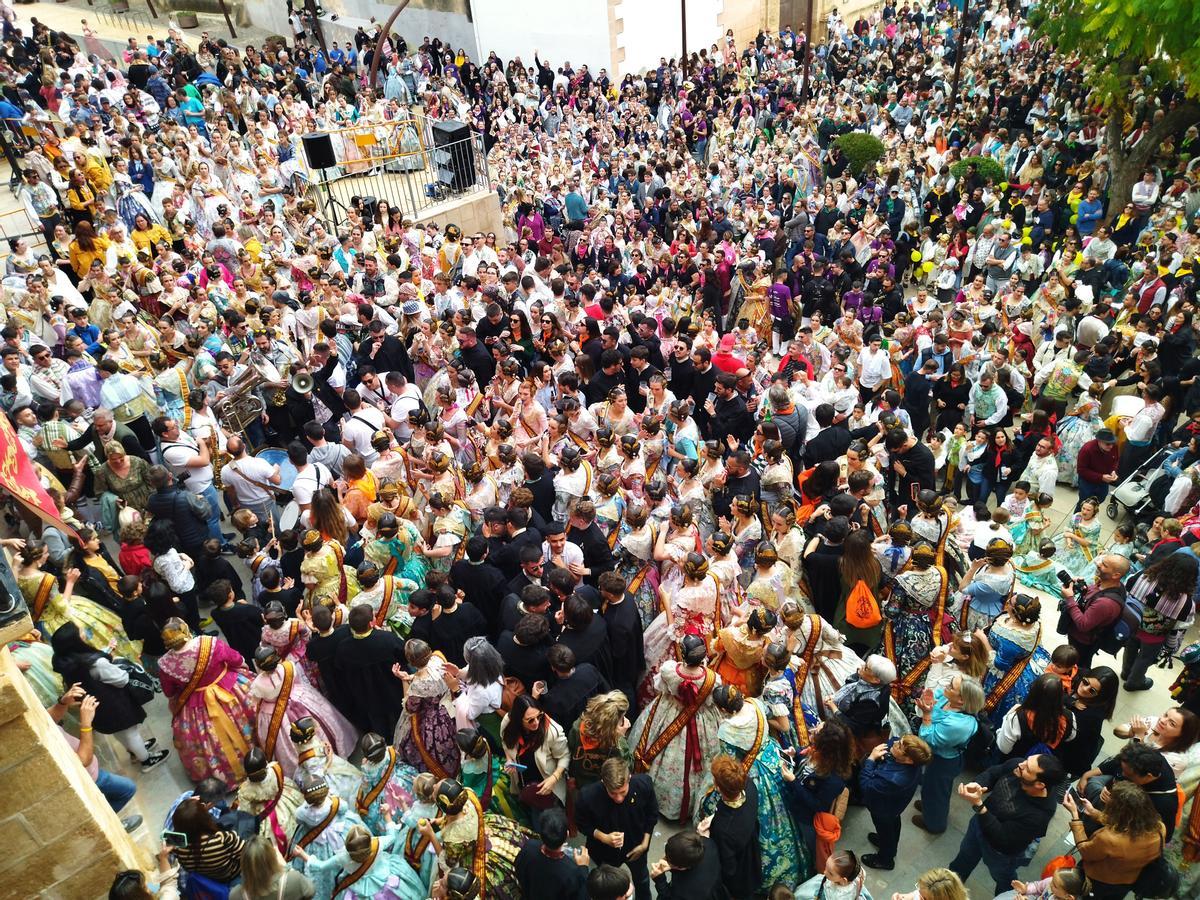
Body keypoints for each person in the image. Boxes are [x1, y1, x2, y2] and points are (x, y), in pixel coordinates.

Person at [50, 621, 168, 771]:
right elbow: (121, 679)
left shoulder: (64, 661)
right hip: (115, 705)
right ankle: (146, 759)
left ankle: (134, 751)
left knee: (120, 733)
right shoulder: (96, 663)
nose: (84, 632)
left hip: (97, 709)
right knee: (131, 733)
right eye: (81, 632)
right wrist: (119, 665)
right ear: (75, 641)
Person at [947, 754, 1067, 894]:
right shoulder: (1018, 767)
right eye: (1026, 761)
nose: (1021, 765)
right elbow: (994, 773)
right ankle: (947, 890)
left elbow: (1002, 838)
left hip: (1000, 852)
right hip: (978, 826)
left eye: (1027, 768)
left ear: (1039, 784)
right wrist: (978, 783)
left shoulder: (1039, 814)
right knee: (964, 859)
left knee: (1004, 879)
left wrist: (979, 806)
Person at [157, 617, 255, 787]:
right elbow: (235, 659)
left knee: (211, 740)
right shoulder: (209, 643)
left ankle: (227, 775)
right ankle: (257, 758)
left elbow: (169, 692)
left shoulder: (166, 664)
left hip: (196, 703)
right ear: (185, 631)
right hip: (228, 688)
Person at [1064, 781, 1166, 900]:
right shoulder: (1159, 828)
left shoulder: (1109, 839)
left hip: (1097, 881)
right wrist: (1094, 812)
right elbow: (1126, 825)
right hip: (1126, 882)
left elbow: (1085, 850)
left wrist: (1075, 817)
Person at [575, 757, 659, 900]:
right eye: (613, 793)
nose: (619, 798)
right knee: (609, 888)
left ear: (629, 778)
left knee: (642, 880)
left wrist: (645, 844)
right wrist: (604, 837)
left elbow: (652, 814)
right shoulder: (587, 796)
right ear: (603, 783)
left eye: (623, 792)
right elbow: (583, 825)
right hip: (604, 852)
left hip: (637, 846)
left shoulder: (644, 785)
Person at [914, 676, 985, 835]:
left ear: (961, 701)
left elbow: (928, 738)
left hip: (944, 762)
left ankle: (934, 824)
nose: (946, 685)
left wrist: (926, 714)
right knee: (929, 787)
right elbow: (933, 699)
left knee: (938, 794)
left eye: (951, 686)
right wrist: (926, 702)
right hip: (935, 756)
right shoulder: (946, 698)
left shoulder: (960, 725)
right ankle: (927, 805)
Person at [1122, 552, 1200, 691]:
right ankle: (1134, 682)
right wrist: (1171, 647)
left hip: (1132, 623)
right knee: (1145, 658)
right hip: (1154, 636)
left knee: (1130, 647)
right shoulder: (1186, 603)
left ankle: (1125, 672)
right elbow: (1179, 627)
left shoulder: (1142, 576)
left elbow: (1126, 590)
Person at [858, 734, 932, 871]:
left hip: (883, 809)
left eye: (899, 746)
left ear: (909, 760)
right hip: (894, 805)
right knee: (892, 825)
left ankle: (885, 860)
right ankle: (889, 846)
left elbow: (866, 786)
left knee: (885, 828)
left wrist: (870, 760)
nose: (895, 742)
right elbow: (892, 741)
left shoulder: (894, 778)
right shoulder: (911, 759)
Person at [705, 754, 761, 900]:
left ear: (718, 788)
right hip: (750, 844)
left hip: (739, 869)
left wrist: (705, 838)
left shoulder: (723, 828)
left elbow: (728, 867)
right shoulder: (750, 787)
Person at [1060, 553, 1130, 670]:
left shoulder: (1106, 603)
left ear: (1116, 575)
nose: (1098, 564)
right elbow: (1094, 597)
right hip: (1081, 637)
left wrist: (1070, 599)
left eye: (1104, 565)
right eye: (1101, 561)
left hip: (1082, 642)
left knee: (1077, 667)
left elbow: (1083, 624)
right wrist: (1083, 588)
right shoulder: (1113, 585)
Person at [513, 807, 590, 900]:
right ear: (567, 835)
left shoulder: (529, 847)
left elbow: (518, 870)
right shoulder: (572, 872)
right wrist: (583, 868)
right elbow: (581, 897)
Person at [169, 795, 246, 883]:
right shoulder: (221, 838)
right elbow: (245, 854)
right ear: (205, 818)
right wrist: (199, 810)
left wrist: (188, 809)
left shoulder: (177, 846)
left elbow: (183, 825)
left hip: (208, 878)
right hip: (230, 875)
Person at [228, 834, 316, 900]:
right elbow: (311, 891)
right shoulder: (294, 880)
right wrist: (286, 867)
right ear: (273, 859)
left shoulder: (235, 895)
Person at [648, 829, 724, 900]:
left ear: (682, 868)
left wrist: (660, 880)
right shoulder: (708, 843)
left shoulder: (683, 892)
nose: (663, 859)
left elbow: (668, 897)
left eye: (668, 860)